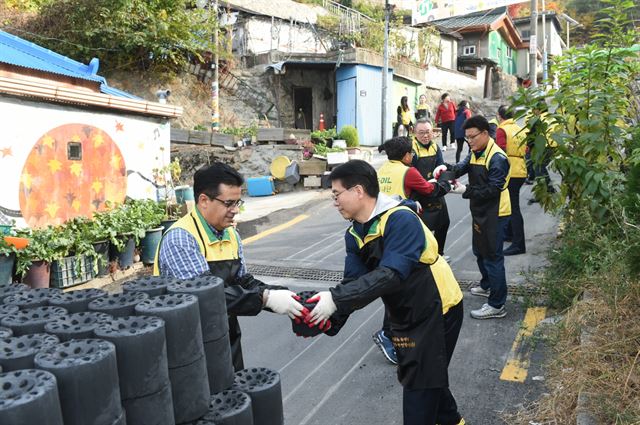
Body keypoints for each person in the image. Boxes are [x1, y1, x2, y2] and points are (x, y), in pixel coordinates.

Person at [305, 160, 465, 425]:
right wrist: (323, 318)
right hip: (405, 313)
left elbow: (392, 273)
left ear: (358, 191)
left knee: (421, 386)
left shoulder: (400, 219)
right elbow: (353, 282)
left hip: (438, 308)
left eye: (336, 195)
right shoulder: (355, 232)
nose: (334, 202)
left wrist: (334, 299)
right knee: (427, 382)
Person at [153, 163, 307, 370]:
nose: (235, 210)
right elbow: (205, 296)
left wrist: (286, 297)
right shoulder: (181, 238)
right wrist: (265, 299)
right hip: (188, 346)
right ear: (204, 201)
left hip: (225, 335)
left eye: (238, 202)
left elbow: (243, 280)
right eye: (229, 203)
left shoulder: (230, 234)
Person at [373, 137, 451, 365]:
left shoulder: (382, 170)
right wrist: (445, 184)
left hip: (382, 232)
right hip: (402, 232)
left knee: (396, 282)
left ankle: (398, 331)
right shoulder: (408, 171)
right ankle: (389, 334)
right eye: (411, 153)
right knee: (401, 284)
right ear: (407, 155)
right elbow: (428, 190)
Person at [437, 115, 511, 320]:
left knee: (493, 257)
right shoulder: (476, 151)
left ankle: (497, 304)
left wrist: (464, 190)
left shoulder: (497, 158)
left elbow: (492, 190)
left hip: (495, 212)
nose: (469, 141)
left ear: (485, 134)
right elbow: (462, 166)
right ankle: (487, 286)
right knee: (480, 250)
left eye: (472, 137)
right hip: (480, 210)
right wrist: (446, 173)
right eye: (467, 137)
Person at [411, 119, 451, 259]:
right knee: (423, 228)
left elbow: (441, 167)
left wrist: (445, 182)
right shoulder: (412, 150)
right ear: (414, 133)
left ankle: (439, 253)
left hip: (435, 190)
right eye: (421, 132)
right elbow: (410, 173)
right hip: (419, 193)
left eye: (428, 132)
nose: (425, 136)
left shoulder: (435, 147)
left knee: (444, 222)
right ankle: (424, 256)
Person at [497, 105, 527, 255]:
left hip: (510, 169)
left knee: (513, 208)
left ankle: (518, 244)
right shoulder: (519, 128)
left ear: (499, 116)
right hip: (520, 168)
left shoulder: (502, 129)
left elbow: (500, 150)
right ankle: (510, 235)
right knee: (511, 204)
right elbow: (527, 149)